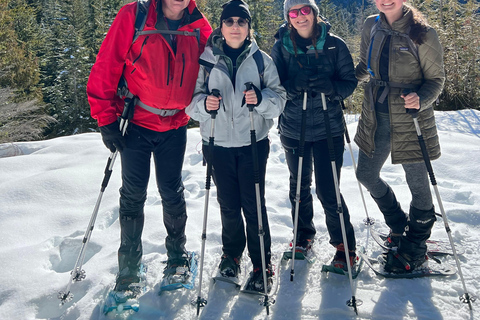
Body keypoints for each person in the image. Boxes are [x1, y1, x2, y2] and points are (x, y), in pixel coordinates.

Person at [87, 0, 212, 292]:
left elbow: (214, 73)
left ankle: (178, 258)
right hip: (136, 123)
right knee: (133, 194)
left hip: (176, 125)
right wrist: (105, 118)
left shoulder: (198, 26)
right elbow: (107, 63)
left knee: (171, 190)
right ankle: (129, 269)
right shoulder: (135, 15)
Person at [186, 0, 286, 292]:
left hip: (252, 142)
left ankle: (261, 262)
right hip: (217, 143)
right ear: (221, 26)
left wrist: (262, 99)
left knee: (254, 205)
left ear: (248, 27)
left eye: (241, 22)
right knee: (228, 206)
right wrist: (205, 104)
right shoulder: (206, 61)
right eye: (229, 21)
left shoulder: (261, 60)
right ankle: (232, 255)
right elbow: (190, 103)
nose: (235, 27)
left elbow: (279, 99)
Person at [354, 0, 445, 273]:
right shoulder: (371, 24)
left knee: (418, 183)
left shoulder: (423, 33)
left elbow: (436, 79)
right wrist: (340, 81)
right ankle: (398, 224)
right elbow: (363, 66)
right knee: (365, 175)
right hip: (376, 115)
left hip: (410, 118)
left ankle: (415, 245)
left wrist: (421, 98)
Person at [271, 0, 358, 270]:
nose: (300, 17)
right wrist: (291, 87)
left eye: (305, 10)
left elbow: (349, 82)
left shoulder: (335, 45)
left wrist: (331, 88)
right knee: (298, 187)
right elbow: (273, 85)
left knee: (328, 189)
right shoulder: (281, 46)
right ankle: (303, 236)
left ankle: (345, 245)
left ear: (315, 13)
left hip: (328, 129)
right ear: (288, 17)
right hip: (294, 128)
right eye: (293, 12)